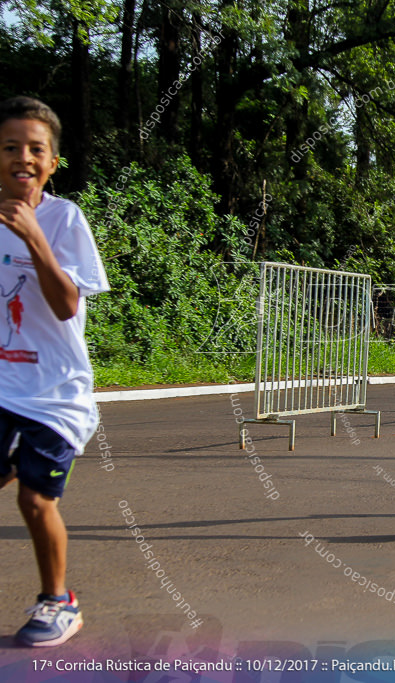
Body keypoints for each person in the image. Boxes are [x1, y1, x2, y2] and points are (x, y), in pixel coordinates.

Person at [0, 96, 110, 646]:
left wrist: (32, 237)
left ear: (52, 161)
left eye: (35, 148)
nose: (23, 156)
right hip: (2, 386)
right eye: (11, 146)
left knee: (35, 500)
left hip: (54, 392)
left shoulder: (64, 219)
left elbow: (67, 304)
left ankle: (58, 601)